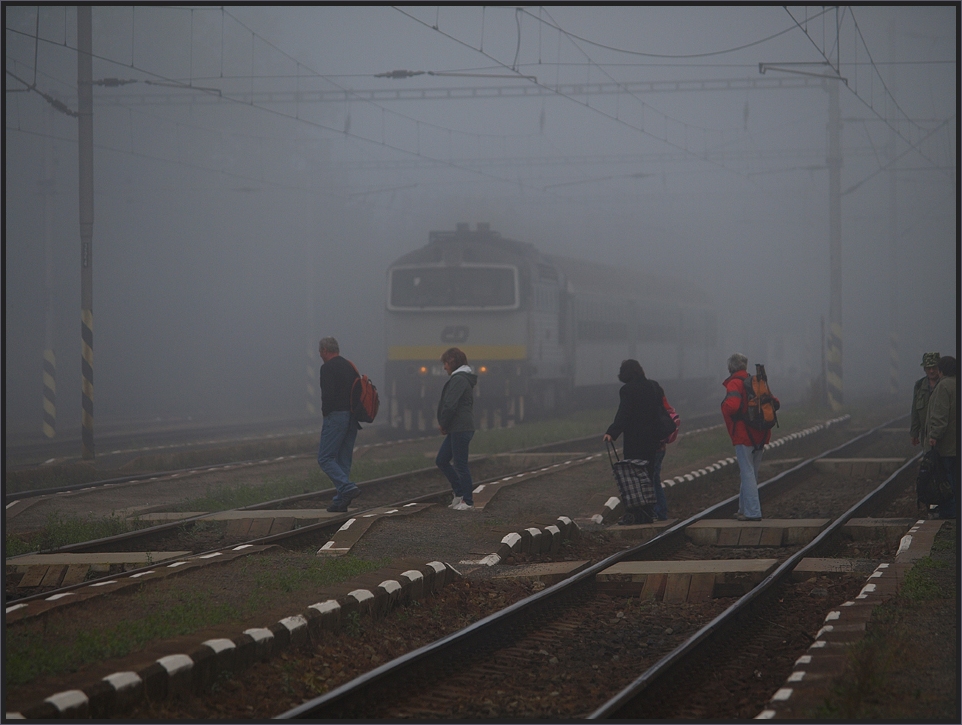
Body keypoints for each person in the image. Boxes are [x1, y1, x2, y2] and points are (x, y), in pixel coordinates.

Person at [603, 359, 665, 524]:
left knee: (633, 478)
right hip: (652, 440)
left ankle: (636, 514)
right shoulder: (653, 386)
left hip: (635, 441)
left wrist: (612, 432)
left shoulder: (628, 390)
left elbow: (624, 413)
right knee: (648, 476)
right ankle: (649, 513)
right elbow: (660, 411)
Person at [721, 353, 779, 521]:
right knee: (750, 473)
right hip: (761, 434)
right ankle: (743, 509)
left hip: (744, 435)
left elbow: (731, 407)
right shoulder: (757, 382)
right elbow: (775, 402)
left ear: (731, 367)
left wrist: (723, 406)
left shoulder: (734, 383)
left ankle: (753, 512)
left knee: (747, 473)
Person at [317, 337, 362, 513]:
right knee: (343, 460)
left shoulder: (327, 368)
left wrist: (325, 412)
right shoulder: (349, 366)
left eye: (320, 351)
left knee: (325, 458)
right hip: (352, 418)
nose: (320, 355)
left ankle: (347, 488)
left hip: (336, 416)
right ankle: (340, 502)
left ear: (325, 351)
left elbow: (328, 394)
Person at [436, 347, 478, 511]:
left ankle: (467, 501)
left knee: (460, 465)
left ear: (452, 363)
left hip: (461, 427)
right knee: (441, 460)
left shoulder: (459, 380)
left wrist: (443, 423)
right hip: (457, 428)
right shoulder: (459, 378)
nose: (444, 367)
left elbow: (450, 404)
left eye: (445, 363)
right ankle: (460, 494)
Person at [925, 355, 957, 519]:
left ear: (941, 370)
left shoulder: (944, 386)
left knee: (945, 478)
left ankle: (950, 511)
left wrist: (934, 435)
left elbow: (940, 415)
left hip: (947, 445)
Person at [651, 394, 680, 521]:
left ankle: (658, 511)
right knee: (655, 479)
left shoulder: (653, 405)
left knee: (652, 480)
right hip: (661, 447)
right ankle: (660, 511)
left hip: (653, 448)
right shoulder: (665, 407)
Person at [910, 352, 942, 447]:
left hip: (944, 435)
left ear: (939, 368)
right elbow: (915, 411)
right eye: (928, 368)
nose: (931, 371)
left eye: (934, 367)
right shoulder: (919, 386)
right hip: (926, 434)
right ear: (924, 369)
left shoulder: (945, 384)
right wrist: (914, 433)